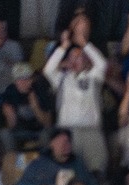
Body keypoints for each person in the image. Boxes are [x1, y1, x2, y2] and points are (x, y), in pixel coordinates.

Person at [43, 28, 111, 174]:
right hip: (68, 131)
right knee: (69, 170)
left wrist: (85, 44)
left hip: (91, 130)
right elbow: (48, 70)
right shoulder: (61, 78)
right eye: (71, 58)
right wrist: (63, 47)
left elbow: (102, 64)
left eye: (78, 57)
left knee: (96, 168)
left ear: (86, 60)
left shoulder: (93, 77)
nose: (74, 61)